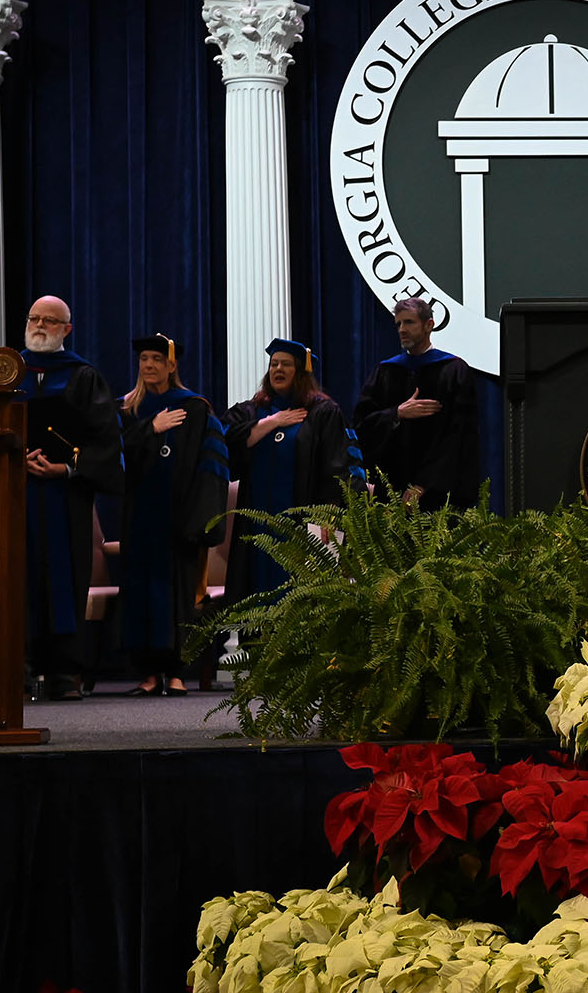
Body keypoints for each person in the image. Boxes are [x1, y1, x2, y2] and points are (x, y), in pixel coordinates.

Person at [17, 294, 124, 700]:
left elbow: (105, 441)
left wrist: (65, 468)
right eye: (34, 318)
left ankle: (65, 672)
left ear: (67, 329)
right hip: (19, 495)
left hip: (66, 496)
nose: (40, 325)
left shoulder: (83, 376)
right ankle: (20, 665)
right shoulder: (7, 372)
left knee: (66, 576)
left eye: (50, 320)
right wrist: (15, 461)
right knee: (20, 578)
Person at [117, 334, 228, 696]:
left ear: (171, 364)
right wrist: (151, 429)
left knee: (178, 594)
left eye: (156, 359)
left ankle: (179, 673)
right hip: (139, 516)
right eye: (143, 359)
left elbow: (209, 466)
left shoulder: (194, 408)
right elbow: (113, 457)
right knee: (141, 594)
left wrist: (200, 520)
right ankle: (149, 675)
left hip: (179, 518)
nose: (148, 365)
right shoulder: (128, 410)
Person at [222, 338, 363, 604]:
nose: (278, 369)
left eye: (286, 364)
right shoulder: (253, 410)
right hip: (256, 523)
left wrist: (329, 515)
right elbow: (228, 444)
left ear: (300, 372)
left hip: (305, 522)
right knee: (254, 592)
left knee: (300, 597)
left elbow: (340, 466)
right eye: (274, 364)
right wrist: (271, 422)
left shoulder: (323, 412)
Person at [352, 298, 479, 509]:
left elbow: (459, 436)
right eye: (398, 324)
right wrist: (396, 414)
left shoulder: (453, 371)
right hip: (390, 494)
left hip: (438, 495)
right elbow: (362, 425)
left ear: (429, 325)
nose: (402, 329)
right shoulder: (386, 371)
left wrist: (424, 485)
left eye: (409, 322)